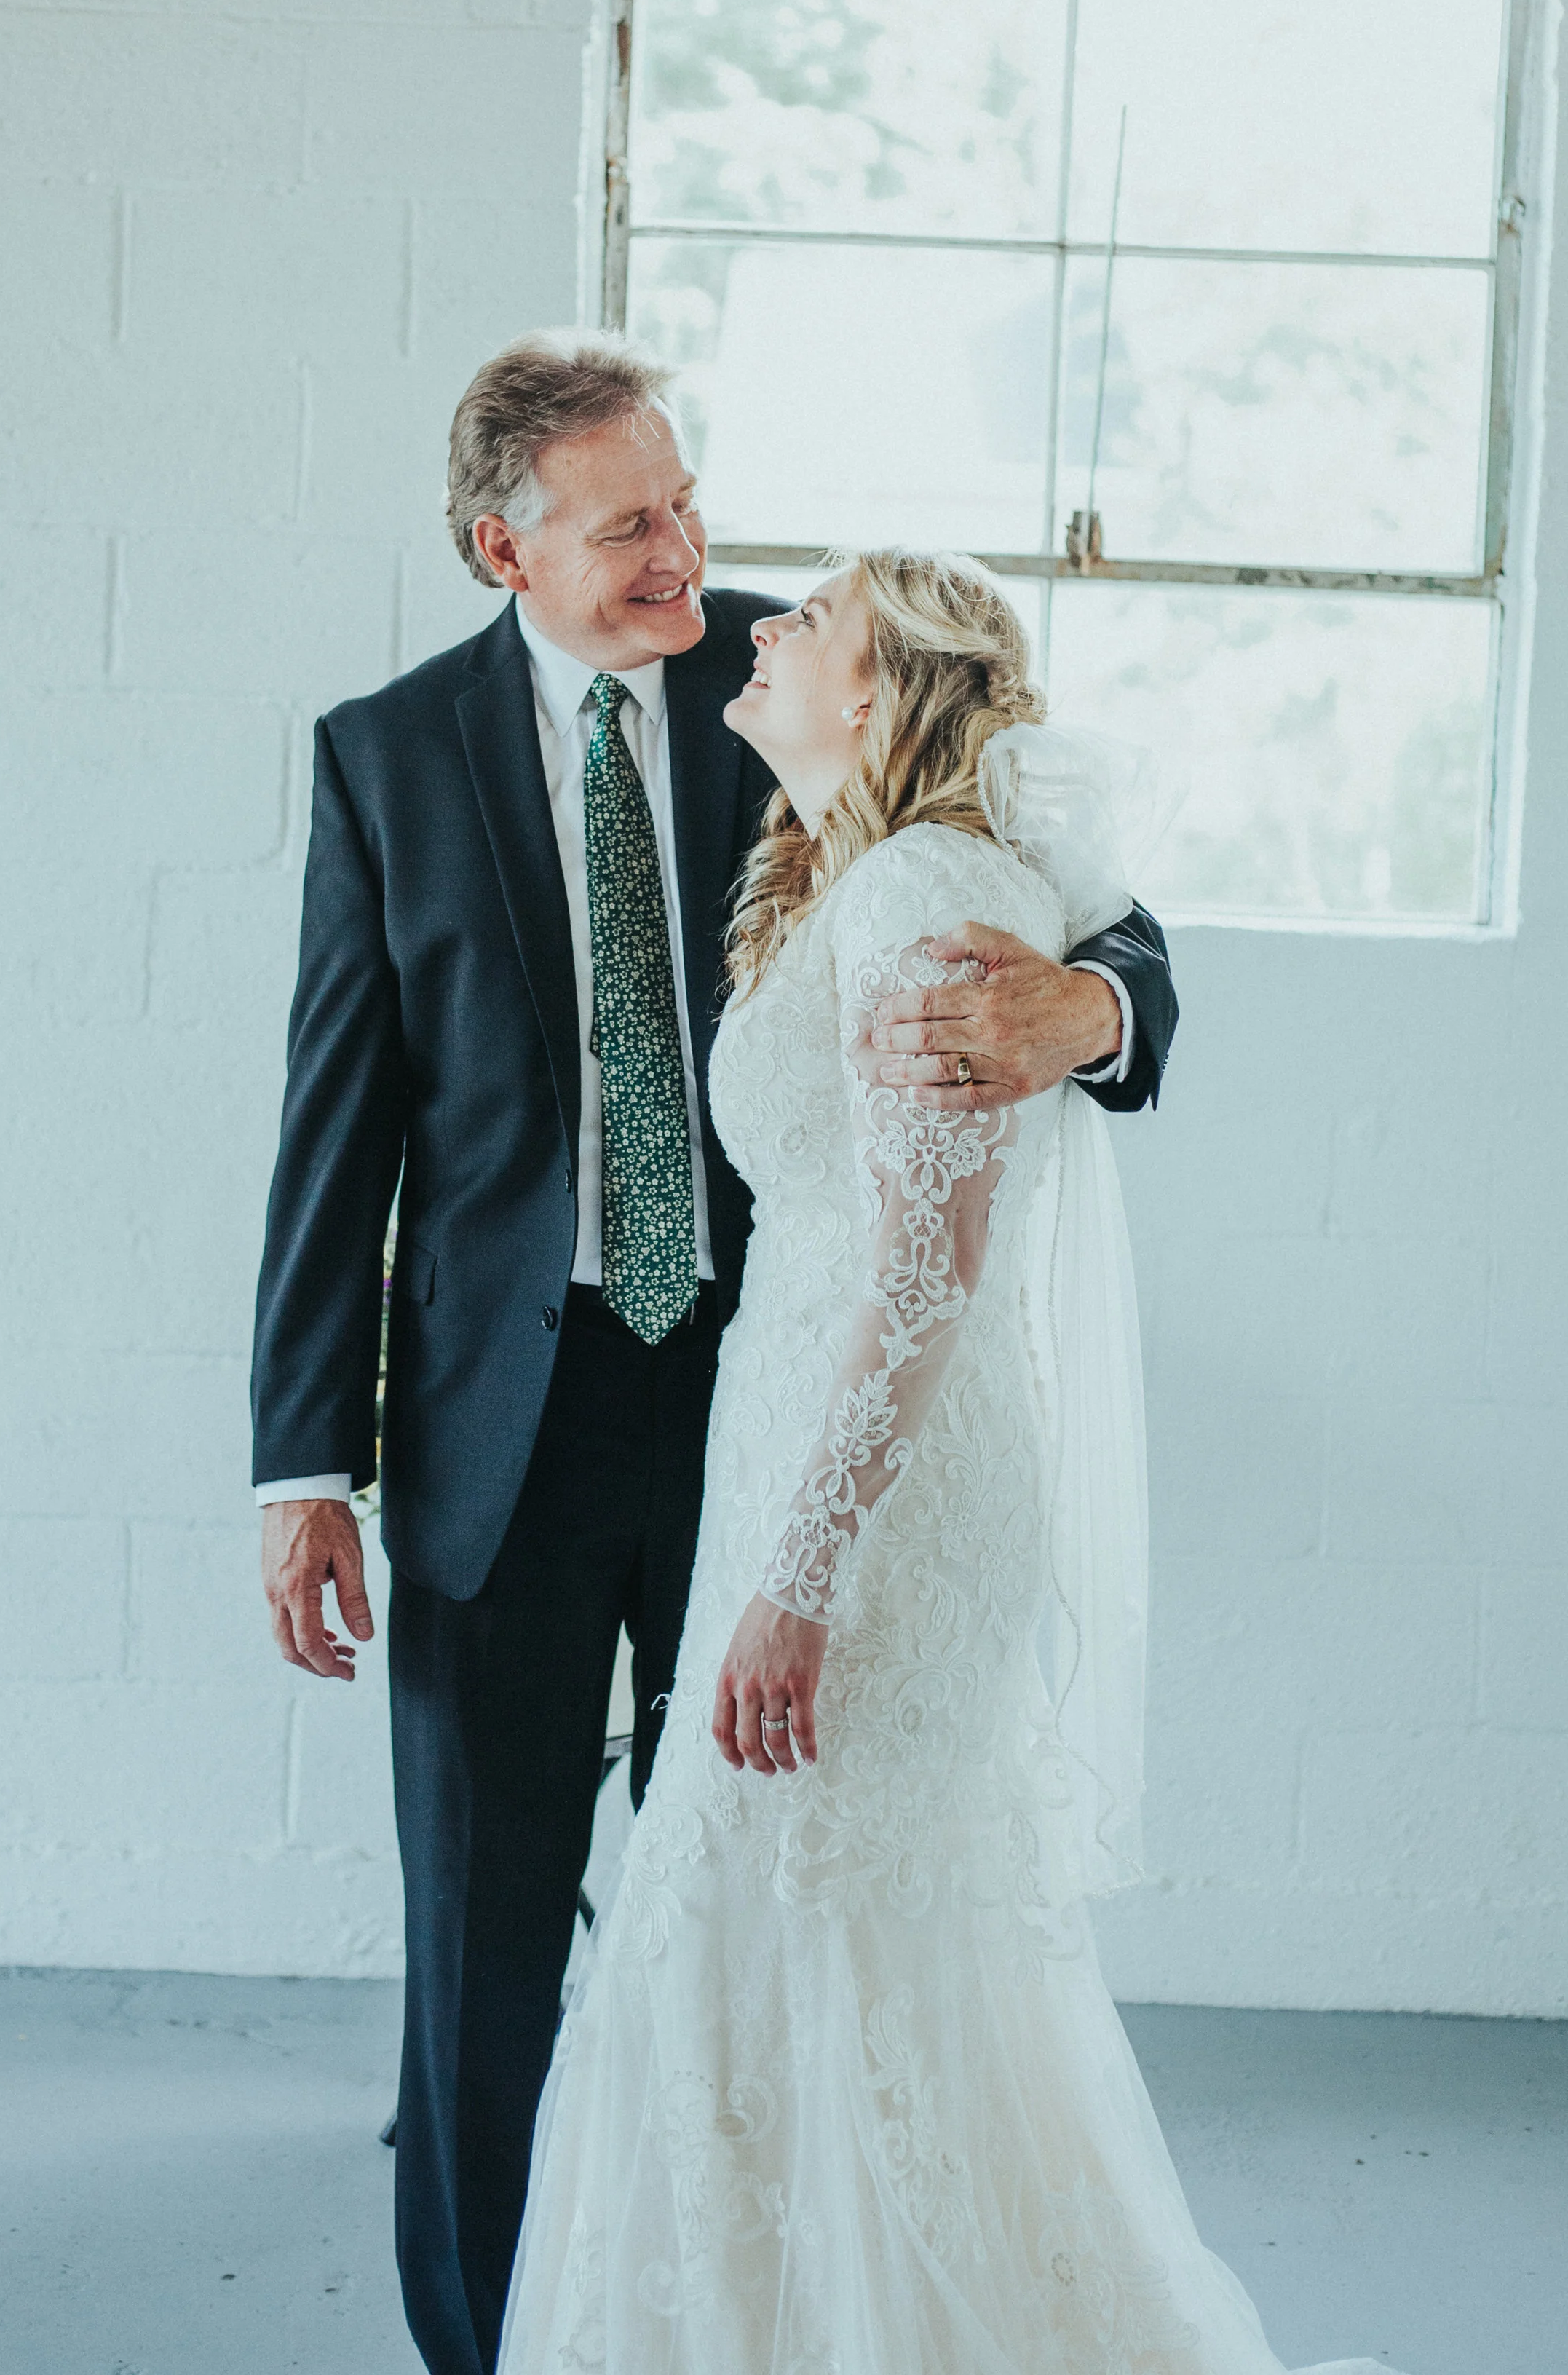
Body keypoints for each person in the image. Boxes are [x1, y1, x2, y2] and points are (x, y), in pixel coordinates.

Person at [249, 333, 1179, 2375]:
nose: (686, 549)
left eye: (685, 498)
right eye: (629, 521)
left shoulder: (808, 669)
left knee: (775, 1932)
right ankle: (503, 2342)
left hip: (783, 1408)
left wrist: (1079, 1018)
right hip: (502, 1418)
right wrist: (302, 1460)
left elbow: (1116, 933)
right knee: (481, 1952)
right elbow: (342, 1125)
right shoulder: (384, 758)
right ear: (505, 543)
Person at [496, 551, 1397, 2375]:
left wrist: (798, 1576)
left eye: (808, 621)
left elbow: (925, 1271)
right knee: (779, 1931)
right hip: (787, 1441)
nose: (755, 625)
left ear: (887, 689)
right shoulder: (839, 854)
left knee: (825, 1922)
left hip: (871, 1509)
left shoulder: (927, 890)